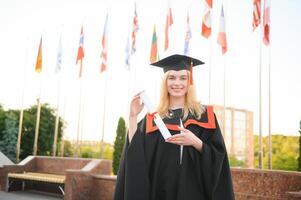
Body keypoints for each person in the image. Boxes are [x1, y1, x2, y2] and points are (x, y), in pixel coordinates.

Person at [114, 54, 235, 200]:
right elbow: (137, 152)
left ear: (189, 82)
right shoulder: (154, 117)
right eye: (172, 78)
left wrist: (196, 142)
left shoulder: (203, 115)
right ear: (165, 82)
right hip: (160, 191)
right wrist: (133, 117)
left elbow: (218, 158)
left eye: (183, 78)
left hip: (194, 191)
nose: (177, 83)